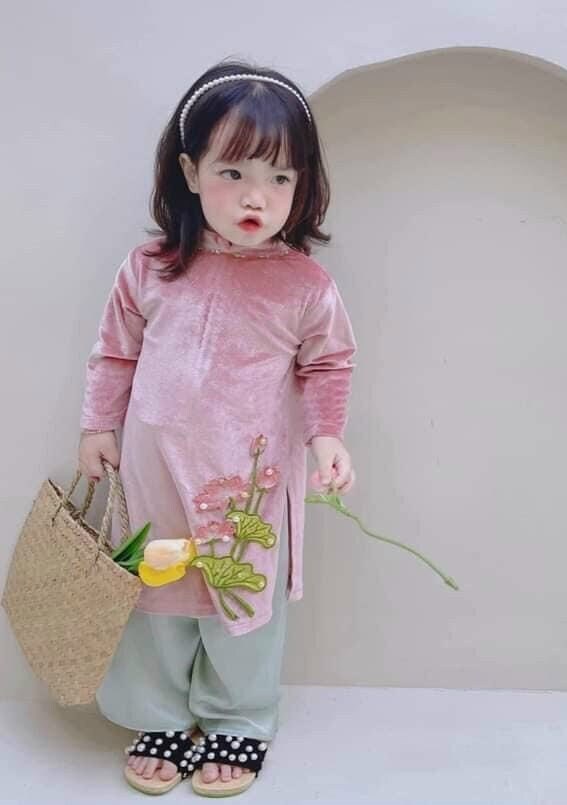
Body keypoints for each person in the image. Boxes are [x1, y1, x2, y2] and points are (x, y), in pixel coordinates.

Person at [77, 58, 358, 797]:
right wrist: (98, 425)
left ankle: (239, 718)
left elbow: (328, 366)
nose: (256, 197)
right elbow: (115, 352)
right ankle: (158, 712)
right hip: (154, 472)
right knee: (157, 591)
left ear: (302, 185)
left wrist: (327, 436)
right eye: (233, 172)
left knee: (243, 601)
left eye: (279, 178)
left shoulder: (305, 285)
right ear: (190, 172)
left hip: (249, 482)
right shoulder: (151, 268)